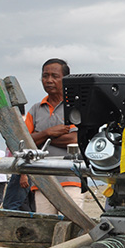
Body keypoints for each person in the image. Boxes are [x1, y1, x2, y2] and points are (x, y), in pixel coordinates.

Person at [24, 58, 85, 215]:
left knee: (72, 227)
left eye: (54, 76)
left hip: (71, 179)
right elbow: (23, 142)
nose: (49, 80)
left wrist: (38, 137)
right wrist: (48, 133)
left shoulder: (76, 108)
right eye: (45, 76)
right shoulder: (35, 109)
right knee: (45, 229)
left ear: (65, 80)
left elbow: (75, 140)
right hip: (42, 182)